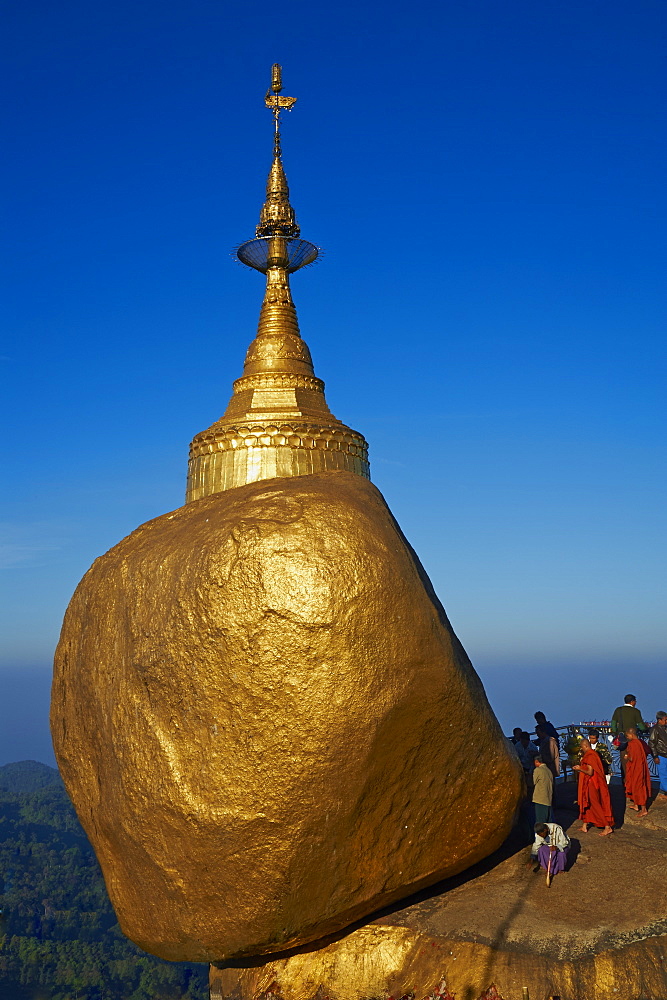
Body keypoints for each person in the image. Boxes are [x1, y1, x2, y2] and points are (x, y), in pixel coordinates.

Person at [572, 737, 614, 836]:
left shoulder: (590, 756)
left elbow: (590, 772)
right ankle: (585, 825)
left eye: (582, 747)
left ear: (585, 746)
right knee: (588, 803)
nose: (581, 749)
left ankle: (607, 826)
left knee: (595, 804)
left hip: (592, 784)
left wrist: (580, 769)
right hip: (591, 783)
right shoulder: (593, 754)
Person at [623, 728, 651, 818]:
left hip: (637, 768)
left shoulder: (633, 744)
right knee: (635, 785)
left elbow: (632, 758)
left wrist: (627, 756)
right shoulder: (639, 742)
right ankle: (636, 804)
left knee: (639, 787)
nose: (627, 738)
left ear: (631, 735)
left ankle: (644, 809)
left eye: (627, 736)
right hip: (639, 767)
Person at [649, 711, 667, 801]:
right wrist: (655, 756)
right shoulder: (655, 729)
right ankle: (664, 790)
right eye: (665, 720)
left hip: (665, 754)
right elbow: (651, 743)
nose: (666, 721)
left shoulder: (664, 728)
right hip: (661, 755)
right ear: (659, 720)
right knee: (663, 774)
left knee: (664, 774)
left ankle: (662, 792)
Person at [532, 755, 554, 824]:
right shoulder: (548, 770)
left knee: (540, 822)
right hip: (548, 799)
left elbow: (533, 782)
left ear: (536, 761)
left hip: (540, 799)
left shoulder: (538, 770)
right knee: (548, 821)